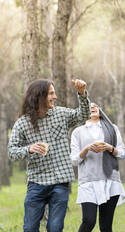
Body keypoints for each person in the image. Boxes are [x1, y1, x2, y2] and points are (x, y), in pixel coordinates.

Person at [8, 79, 90, 232]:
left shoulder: (61, 114)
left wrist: (82, 94)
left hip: (60, 181)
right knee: (30, 228)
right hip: (37, 182)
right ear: (39, 96)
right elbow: (12, 152)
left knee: (55, 228)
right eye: (51, 93)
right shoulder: (22, 123)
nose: (55, 96)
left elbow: (84, 115)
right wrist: (29, 149)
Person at [70, 103, 125, 232]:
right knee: (89, 221)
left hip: (110, 181)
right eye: (88, 106)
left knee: (106, 226)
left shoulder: (112, 129)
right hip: (88, 182)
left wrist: (109, 148)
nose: (92, 107)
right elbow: (74, 160)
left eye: (95, 105)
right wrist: (87, 149)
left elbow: (122, 153)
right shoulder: (77, 132)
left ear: (100, 110)